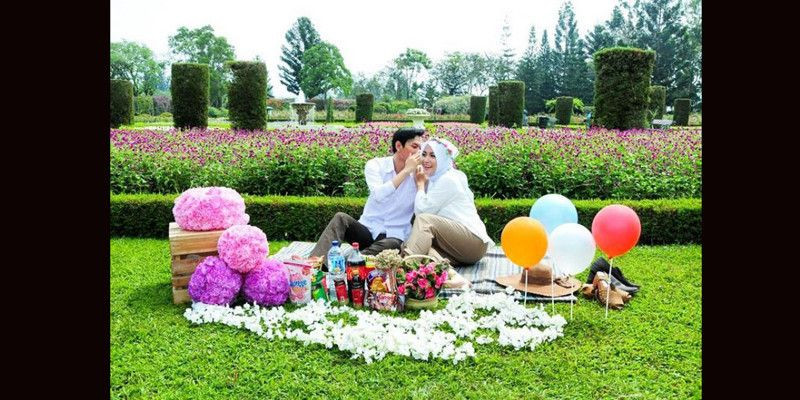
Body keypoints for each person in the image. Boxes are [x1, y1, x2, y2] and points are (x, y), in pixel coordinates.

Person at [309, 127, 425, 257]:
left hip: (394, 236)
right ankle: (314, 264)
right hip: (367, 231)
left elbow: (424, 207)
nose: (419, 152)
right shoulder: (376, 165)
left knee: (392, 245)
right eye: (415, 147)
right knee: (341, 218)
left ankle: (350, 263)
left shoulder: (420, 175)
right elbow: (378, 195)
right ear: (398, 146)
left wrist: (420, 182)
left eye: (421, 149)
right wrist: (406, 171)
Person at [401, 138, 494, 266]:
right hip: (462, 247)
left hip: (473, 242)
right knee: (420, 248)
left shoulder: (448, 179)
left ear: (443, 159)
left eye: (433, 156)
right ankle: (453, 278)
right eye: (424, 154)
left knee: (424, 221)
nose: (426, 160)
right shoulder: (442, 177)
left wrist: (420, 184)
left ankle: (403, 270)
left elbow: (421, 211)